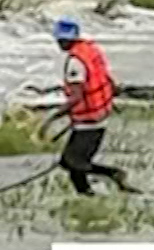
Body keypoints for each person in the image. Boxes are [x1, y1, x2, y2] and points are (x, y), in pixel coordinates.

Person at [53, 17, 131, 196]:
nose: (58, 44)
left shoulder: (75, 62)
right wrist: (113, 89)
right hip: (99, 116)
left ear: (65, 40)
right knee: (73, 162)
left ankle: (113, 174)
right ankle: (86, 195)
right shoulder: (90, 50)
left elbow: (76, 97)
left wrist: (53, 117)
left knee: (72, 162)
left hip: (88, 121)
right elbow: (104, 76)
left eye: (60, 40)